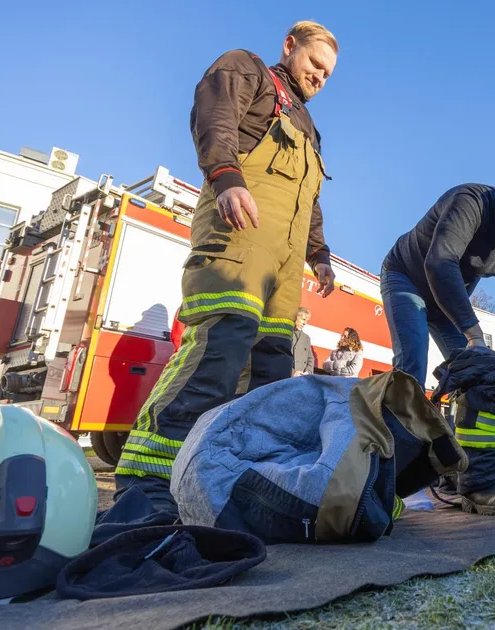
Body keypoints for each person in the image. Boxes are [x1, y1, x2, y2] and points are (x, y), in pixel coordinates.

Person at [115, 22, 341, 512]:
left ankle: (233, 481)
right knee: (220, 348)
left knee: (271, 371)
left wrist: (319, 255)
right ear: (289, 46)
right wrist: (225, 177)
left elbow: (310, 201)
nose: (319, 78)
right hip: (239, 238)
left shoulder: (307, 124)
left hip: (284, 266)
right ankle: (147, 483)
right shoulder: (248, 70)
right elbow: (215, 117)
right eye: (314, 64)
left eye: (327, 74)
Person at [380, 172, 495, 515]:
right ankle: (395, 478)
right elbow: (440, 262)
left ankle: (473, 478)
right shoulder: (469, 201)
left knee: (480, 377)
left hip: (448, 302)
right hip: (407, 279)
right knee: (411, 372)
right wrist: (475, 335)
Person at [291, 307, 316, 376]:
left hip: (301, 377)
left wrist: (308, 372)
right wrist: (293, 373)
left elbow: (310, 359)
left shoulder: (306, 338)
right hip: (286, 376)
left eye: (306, 320)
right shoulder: (287, 333)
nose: (305, 323)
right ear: (296, 317)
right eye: (303, 319)